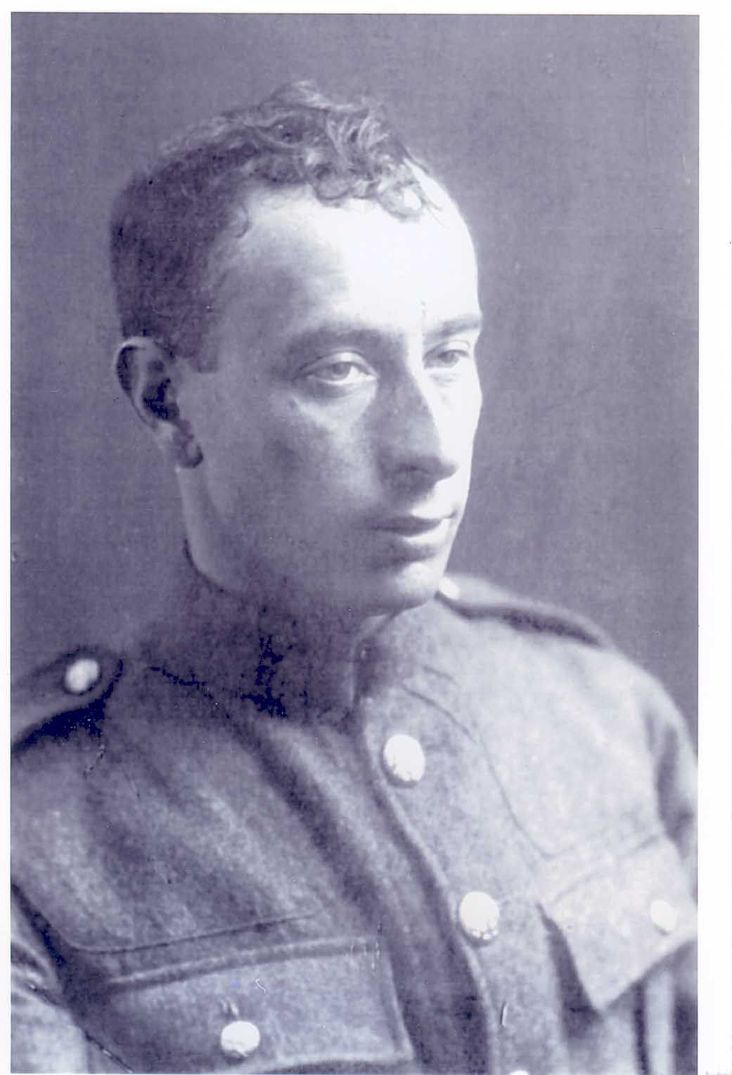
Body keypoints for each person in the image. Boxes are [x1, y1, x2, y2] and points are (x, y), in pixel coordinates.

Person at [11, 82, 696, 1074]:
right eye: (337, 369)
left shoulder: (609, 719)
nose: (431, 447)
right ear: (166, 400)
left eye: (450, 354)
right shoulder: (35, 846)